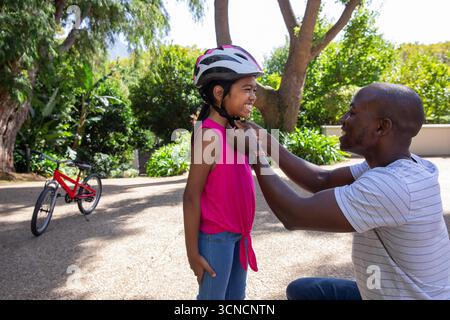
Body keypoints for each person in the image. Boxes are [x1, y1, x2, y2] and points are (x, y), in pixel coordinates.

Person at [237, 83, 450, 300]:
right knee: (302, 290)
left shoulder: (392, 185)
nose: (343, 119)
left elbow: (293, 214)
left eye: (353, 112)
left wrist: (256, 156)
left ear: (381, 127)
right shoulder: (400, 165)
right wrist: (266, 140)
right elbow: (322, 180)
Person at [183, 45, 264, 300]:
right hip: (216, 239)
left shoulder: (236, 132)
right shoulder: (209, 136)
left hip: (241, 236)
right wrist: (192, 253)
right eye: (247, 89)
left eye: (255, 90)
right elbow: (191, 197)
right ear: (219, 93)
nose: (253, 96)